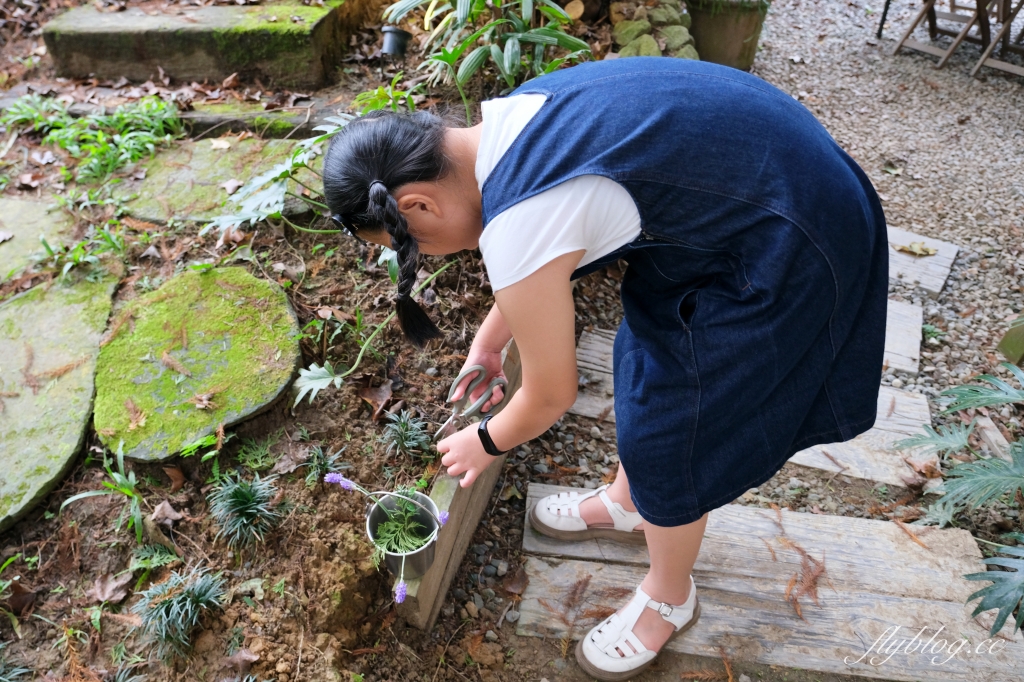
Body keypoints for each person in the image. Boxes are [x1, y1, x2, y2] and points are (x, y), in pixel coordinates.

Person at [321, 57, 887, 681]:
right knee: (647, 358)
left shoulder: (518, 220)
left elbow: (551, 393)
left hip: (795, 236)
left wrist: (484, 441)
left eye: (410, 243)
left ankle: (670, 596)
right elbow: (543, 249)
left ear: (417, 204)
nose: (426, 254)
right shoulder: (506, 123)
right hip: (757, 193)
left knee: (677, 432)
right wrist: (487, 346)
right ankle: (628, 502)